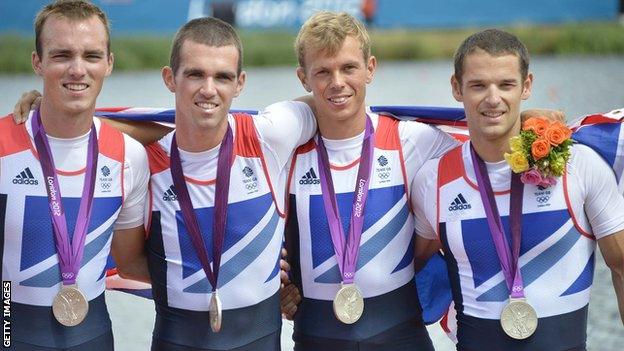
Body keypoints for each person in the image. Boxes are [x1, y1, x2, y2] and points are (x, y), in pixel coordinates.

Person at [411, 29, 624, 350]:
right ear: (457, 87)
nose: (493, 98)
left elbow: (621, 269)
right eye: (479, 85)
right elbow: (403, 268)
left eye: (506, 84)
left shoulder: (579, 165)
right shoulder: (434, 179)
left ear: (527, 86)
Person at [281, 11, 459, 350]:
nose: (337, 82)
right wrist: (275, 283)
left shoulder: (413, 140)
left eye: (349, 68)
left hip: (402, 338)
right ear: (304, 78)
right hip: (316, 338)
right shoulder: (285, 150)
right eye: (323, 72)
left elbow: (486, 153)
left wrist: (524, 118)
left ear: (370, 68)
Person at [140, 17, 316, 350]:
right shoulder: (141, 162)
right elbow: (131, 259)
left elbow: (331, 105)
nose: (209, 89)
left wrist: (264, 265)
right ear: (169, 78)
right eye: (195, 74)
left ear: (240, 83)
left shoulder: (270, 135)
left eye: (222, 76)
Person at [0, 1, 150, 350]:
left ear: (109, 63)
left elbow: (130, 263)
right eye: (62, 55)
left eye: (92, 56)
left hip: (92, 337)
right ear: (38, 61)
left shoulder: (129, 156)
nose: (77, 69)